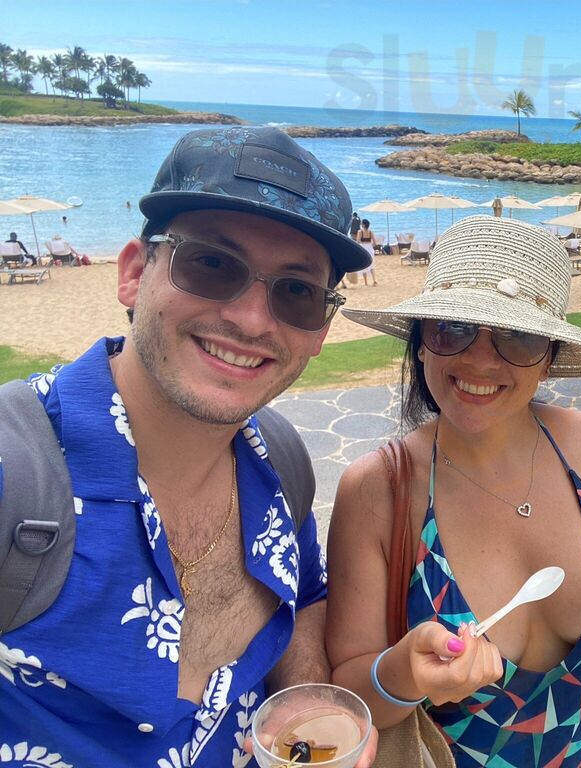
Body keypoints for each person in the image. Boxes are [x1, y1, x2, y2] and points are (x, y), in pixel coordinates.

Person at [0, 127, 377, 767]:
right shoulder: (17, 477)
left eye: (296, 291)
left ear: (320, 330)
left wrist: (304, 700)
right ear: (132, 274)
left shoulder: (281, 462)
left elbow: (306, 596)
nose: (252, 319)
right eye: (211, 264)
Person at [327, 216, 581, 767]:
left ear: (550, 358)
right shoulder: (378, 489)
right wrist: (406, 671)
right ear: (420, 342)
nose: (479, 359)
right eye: (453, 328)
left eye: (517, 336)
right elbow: (349, 697)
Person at [355, 217, 378, 286]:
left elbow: (358, 241)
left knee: (364, 265)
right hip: (370, 248)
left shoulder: (360, 232)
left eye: (361, 223)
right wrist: (370, 246)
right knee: (372, 265)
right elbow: (375, 243)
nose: (360, 224)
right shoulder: (371, 232)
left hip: (363, 249)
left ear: (364, 225)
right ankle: (374, 280)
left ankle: (366, 282)